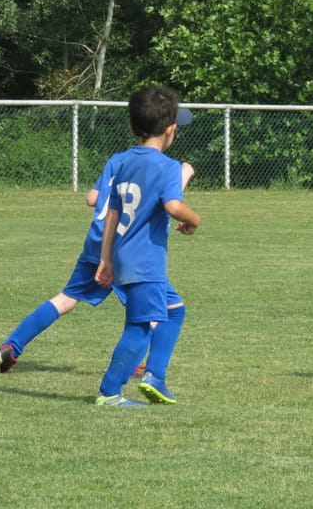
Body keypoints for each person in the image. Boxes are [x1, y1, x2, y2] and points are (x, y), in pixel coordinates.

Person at [0, 133, 195, 380]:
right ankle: (136, 366)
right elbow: (162, 203)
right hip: (128, 247)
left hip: (97, 239)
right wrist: (184, 175)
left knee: (66, 298)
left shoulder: (118, 160)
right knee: (158, 308)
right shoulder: (163, 166)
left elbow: (93, 198)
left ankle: (12, 345)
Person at [92, 85, 201, 407]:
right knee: (139, 326)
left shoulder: (121, 161)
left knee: (174, 310)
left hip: (123, 255)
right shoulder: (167, 166)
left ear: (130, 126)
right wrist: (195, 220)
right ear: (171, 130)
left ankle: (155, 375)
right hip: (147, 261)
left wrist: (105, 258)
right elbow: (172, 206)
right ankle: (110, 392)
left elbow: (111, 212)